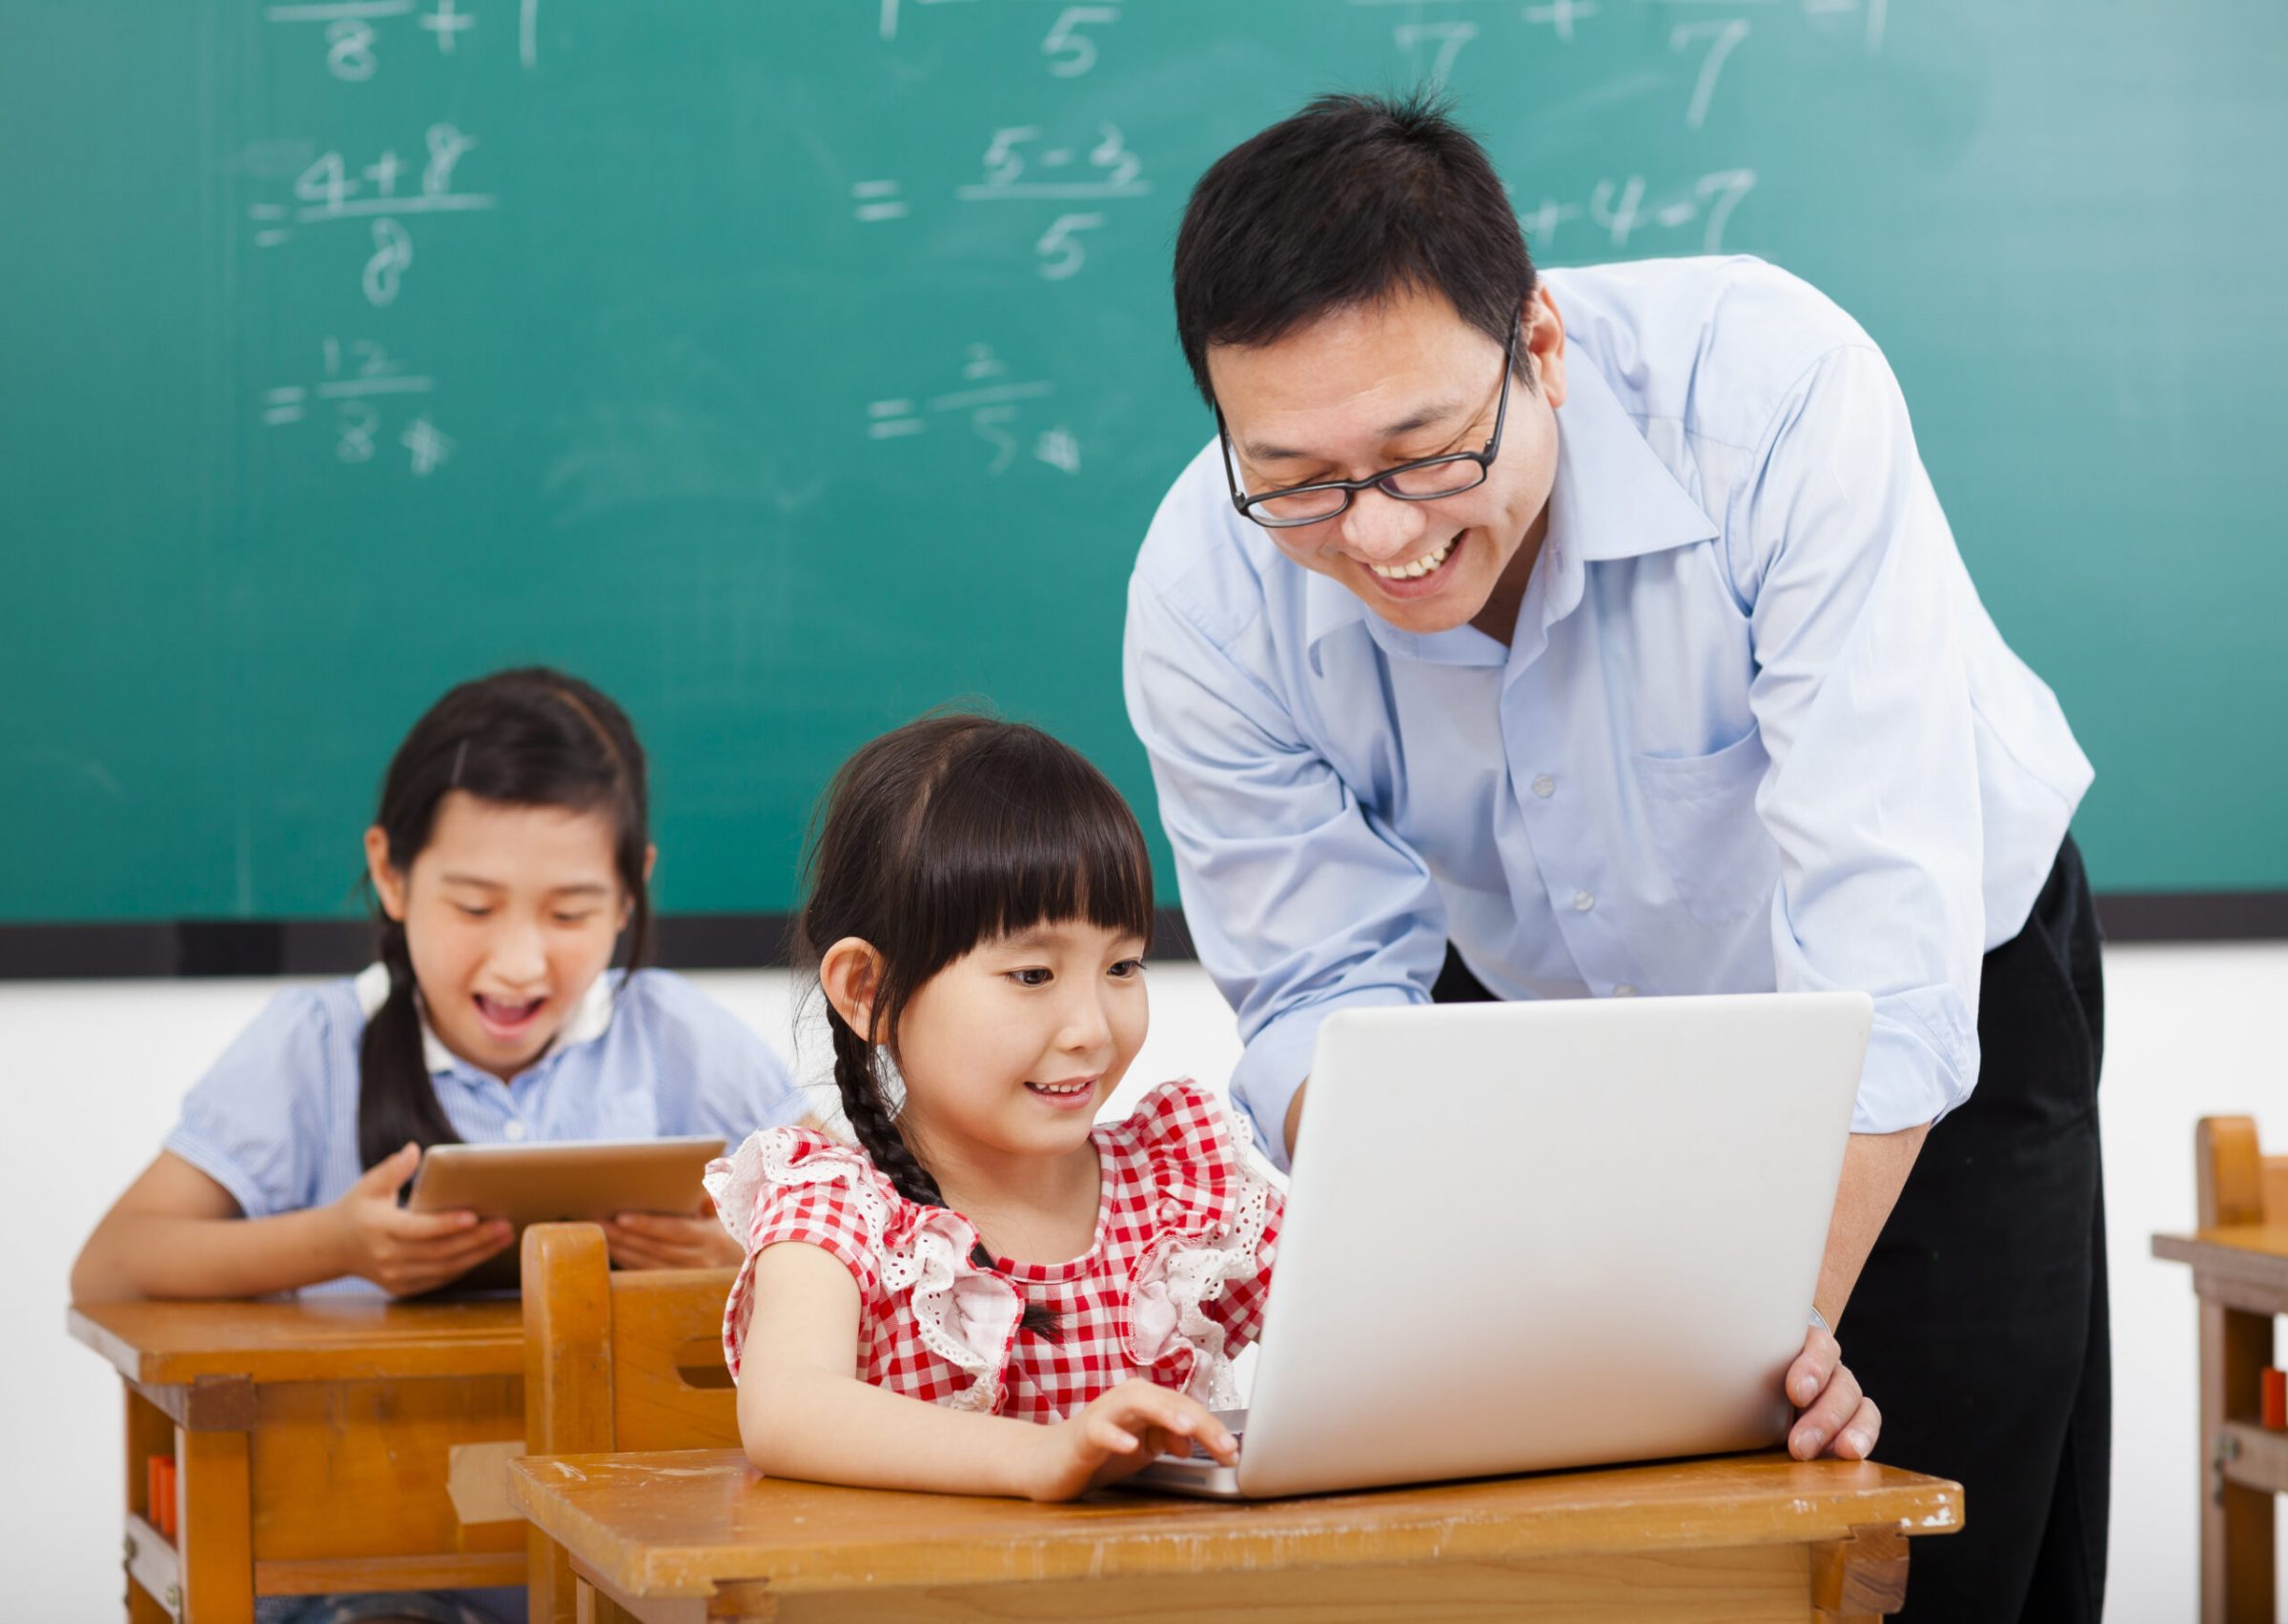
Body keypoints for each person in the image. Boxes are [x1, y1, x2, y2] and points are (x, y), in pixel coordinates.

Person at [1123, 92, 2100, 1621]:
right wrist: (1468, 1298)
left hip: (1929, 993)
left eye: (1424, 452)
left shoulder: (1773, 395)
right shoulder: (1203, 595)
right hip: (1541, 1030)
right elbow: (1320, 993)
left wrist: (1757, 1350)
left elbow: (1883, 929)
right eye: (1298, 481)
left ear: (1542, 346)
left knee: (1943, 1538)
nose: (1377, 537)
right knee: (1584, 1558)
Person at [71, 667, 808, 1624]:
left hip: (629, 1562)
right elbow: (111, 1268)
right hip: (364, 1566)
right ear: (389, 873)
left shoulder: (684, 1042)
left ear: (633, 894)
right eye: (472, 906)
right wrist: (336, 1246)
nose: (518, 961)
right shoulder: (310, 1049)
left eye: (572, 912)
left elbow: (876, 1252)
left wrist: (736, 1264)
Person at [711, 714, 1282, 1500]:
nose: (1090, 1030)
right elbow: (786, 1411)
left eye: (1123, 965)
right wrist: (1041, 1457)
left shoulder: (1183, 1184)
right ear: (868, 992)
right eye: (1032, 976)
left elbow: (1371, 1320)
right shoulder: (839, 1206)